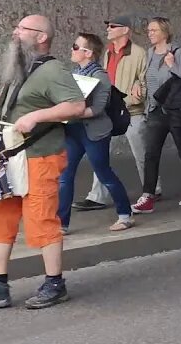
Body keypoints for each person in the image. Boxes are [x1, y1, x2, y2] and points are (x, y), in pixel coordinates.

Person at [0, 14, 87, 310]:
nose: (15, 33)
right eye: (15, 27)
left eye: (23, 29)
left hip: (39, 156)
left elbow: (76, 105)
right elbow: (22, 99)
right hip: (8, 157)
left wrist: (36, 116)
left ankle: (55, 284)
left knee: (41, 219)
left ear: (42, 37)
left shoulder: (54, 69)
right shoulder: (23, 67)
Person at [57, 32, 135, 234]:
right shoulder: (75, 73)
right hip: (74, 130)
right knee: (65, 175)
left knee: (104, 173)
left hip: (95, 133)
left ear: (88, 53)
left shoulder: (99, 75)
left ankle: (125, 215)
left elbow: (98, 108)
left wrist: (72, 111)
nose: (71, 49)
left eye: (76, 46)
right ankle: (62, 223)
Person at [74, 14, 152, 211]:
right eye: (107, 25)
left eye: (113, 26)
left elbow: (146, 81)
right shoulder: (108, 52)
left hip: (132, 111)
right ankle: (97, 196)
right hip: (110, 110)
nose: (108, 28)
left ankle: (151, 189)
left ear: (125, 29)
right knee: (100, 154)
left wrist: (137, 94)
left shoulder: (139, 53)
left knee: (141, 153)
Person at [132, 17, 181, 213]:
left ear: (165, 32)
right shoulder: (149, 54)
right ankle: (147, 195)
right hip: (156, 111)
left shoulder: (178, 53)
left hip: (176, 111)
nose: (150, 33)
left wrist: (173, 66)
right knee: (151, 154)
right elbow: (146, 77)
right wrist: (137, 85)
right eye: (149, 30)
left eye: (154, 30)